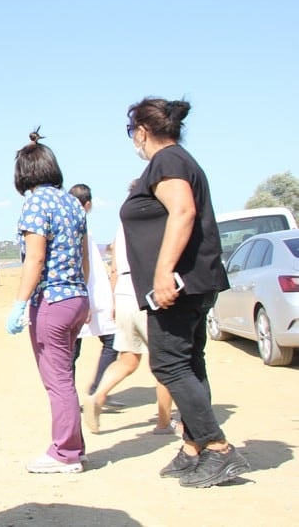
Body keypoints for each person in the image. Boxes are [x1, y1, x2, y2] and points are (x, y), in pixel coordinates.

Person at [121, 97, 249, 488]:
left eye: (132, 134)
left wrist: (162, 273)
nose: (134, 142)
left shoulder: (168, 161)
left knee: (170, 365)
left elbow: (183, 212)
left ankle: (218, 448)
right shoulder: (178, 160)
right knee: (190, 363)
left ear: (142, 131)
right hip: (195, 281)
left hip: (179, 284)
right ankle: (193, 446)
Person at [6, 130, 90, 474]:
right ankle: (74, 446)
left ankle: (65, 453)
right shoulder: (71, 202)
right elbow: (84, 256)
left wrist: (19, 303)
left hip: (52, 301)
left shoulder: (36, 203)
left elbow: (35, 258)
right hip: (76, 298)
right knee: (65, 375)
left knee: (57, 380)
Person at [83, 191, 176, 436]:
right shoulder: (158, 219)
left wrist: (114, 299)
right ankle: (164, 422)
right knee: (164, 360)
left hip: (123, 292)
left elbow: (114, 267)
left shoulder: (122, 225)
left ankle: (98, 395)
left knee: (128, 358)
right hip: (147, 289)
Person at [68, 184, 119, 401]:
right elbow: (81, 262)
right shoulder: (77, 224)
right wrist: (85, 300)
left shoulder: (72, 223)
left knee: (74, 350)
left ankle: (86, 393)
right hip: (87, 296)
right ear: (88, 204)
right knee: (111, 341)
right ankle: (93, 391)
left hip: (83, 296)